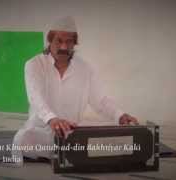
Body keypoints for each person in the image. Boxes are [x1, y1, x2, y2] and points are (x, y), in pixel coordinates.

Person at [12, 16, 138, 165]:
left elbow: (100, 101)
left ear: (74, 43)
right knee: (24, 140)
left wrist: (120, 115)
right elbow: (36, 97)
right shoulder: (34, 65)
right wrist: (52, 119)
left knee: (109, 139)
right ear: (50, 40)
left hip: (72, 136)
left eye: (69, 41)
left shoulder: (85, 68)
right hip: (39, 134)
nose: (64, 47)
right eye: (59, 40)